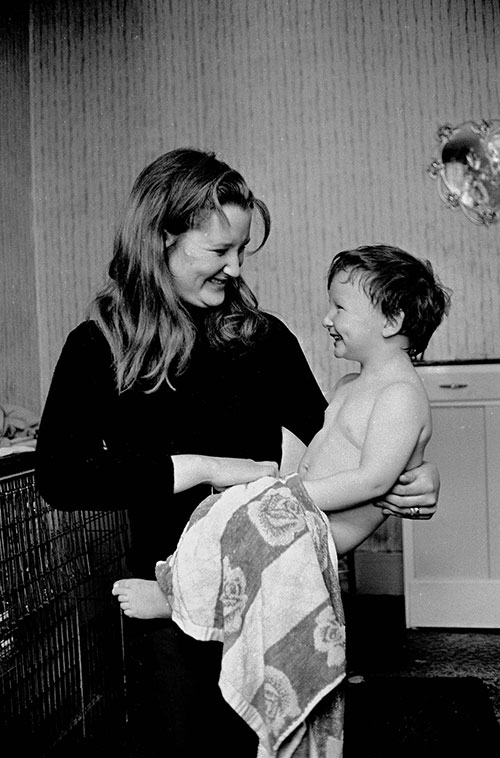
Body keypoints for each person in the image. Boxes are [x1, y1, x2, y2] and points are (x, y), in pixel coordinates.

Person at [35, 148, 440, 758]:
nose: (234, 268)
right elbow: (61, 477)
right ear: (160, 240)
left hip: (278, 598)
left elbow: (340, 439)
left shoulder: (262, 336)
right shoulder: (100, 345)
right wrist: (199, 467)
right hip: (169, 601)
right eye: (219, 251)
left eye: (242, 251)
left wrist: (411, 475)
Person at [113, 243, 450, 621]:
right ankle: (182, 588)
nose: (327, 319)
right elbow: (320, 450)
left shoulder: (400, 394)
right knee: (231, 527)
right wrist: (272, 484)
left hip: (328, 527)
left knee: (249, 539)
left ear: (392, 321)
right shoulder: (352, 385)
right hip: (311, 510)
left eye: (340, 308)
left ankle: (178, 600)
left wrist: (286, 495)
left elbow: (373, 481)